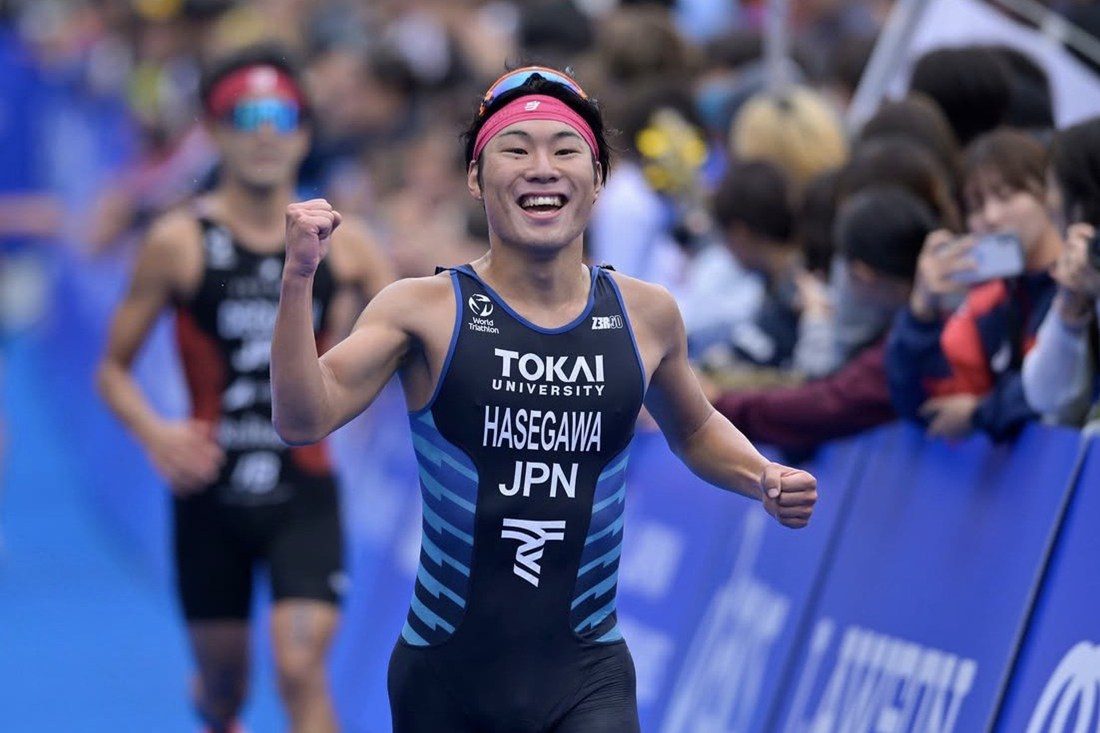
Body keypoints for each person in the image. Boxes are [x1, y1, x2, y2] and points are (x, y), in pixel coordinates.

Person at [270, 66, 817, 732]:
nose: (542, 168)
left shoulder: (646, 313)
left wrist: (762, 474)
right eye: (515, 149)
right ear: (476, 178)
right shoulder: (422, 309)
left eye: (565, 150)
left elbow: (696, 427)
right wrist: (298, 280)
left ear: (598, 178)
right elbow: (302, 418)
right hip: (447, 677)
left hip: (587, 675)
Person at [96, 45, 393, 733]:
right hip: (210, 492)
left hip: (304, 491)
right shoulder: (178, 241)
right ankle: (215, 701)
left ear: (305, 133)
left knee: (300, 668)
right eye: (243, 116)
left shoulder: (350, 246)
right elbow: (111, 369)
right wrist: (158, 434)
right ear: (213, 130)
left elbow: (416, 342)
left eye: (280, 116)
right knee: (225, 685)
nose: (263, 133)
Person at [710, 186, 939, 455]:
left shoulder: (904, 347)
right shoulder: (913, 326)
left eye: (842, 267)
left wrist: (719, 404)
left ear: (862, 275)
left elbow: (824, 401)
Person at [886, 128, 1060, 441]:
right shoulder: (990, 303)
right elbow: (926, 405)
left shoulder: (1082, 287)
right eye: (976, 206)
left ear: (1048, 193)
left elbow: (1063, 387)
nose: (992, 217)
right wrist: (921, 313)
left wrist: (981, 412)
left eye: (1006, 196)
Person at [1023, 118, 1100, 423]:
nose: (1048, 202)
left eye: (1052, 186)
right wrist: (1069, 309)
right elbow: (1045, 396)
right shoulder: (1082, 270)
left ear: (1082, 200)